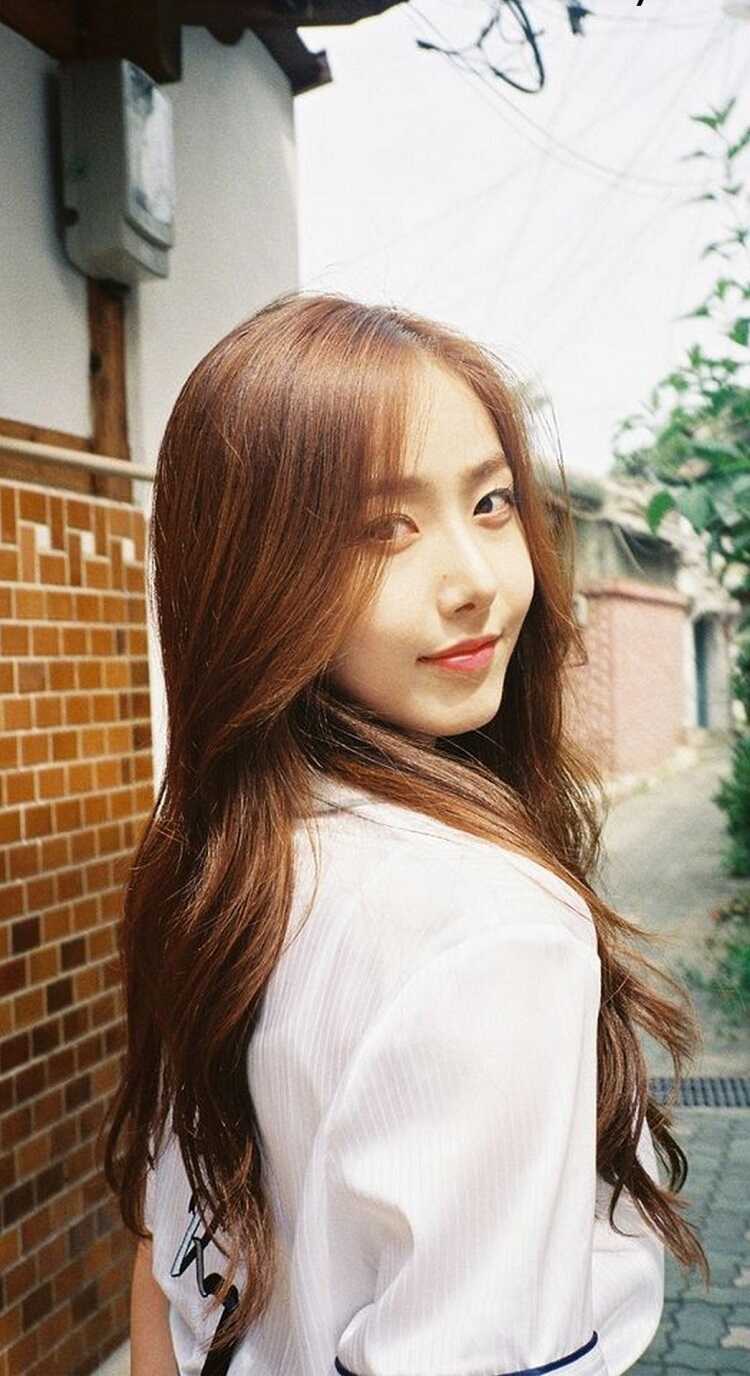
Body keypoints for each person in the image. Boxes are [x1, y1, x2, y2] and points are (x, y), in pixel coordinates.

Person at [105, 290, 709, 1376]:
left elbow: (168, 1266)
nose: (476, 581)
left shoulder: (216, 861)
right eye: (385, 527)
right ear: (250, 573)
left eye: (490, 502)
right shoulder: (490, 930)